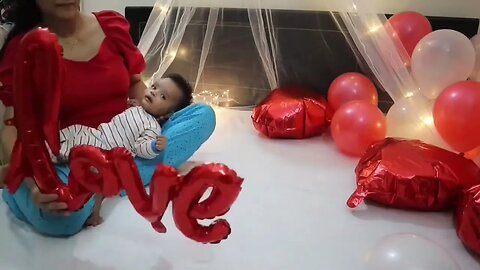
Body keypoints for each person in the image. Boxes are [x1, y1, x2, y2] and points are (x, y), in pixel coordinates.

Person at [0, 0, 215, 236]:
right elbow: (13, 127)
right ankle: (23, 188)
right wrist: (33, 185)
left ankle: (110, 181)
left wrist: (151, 120)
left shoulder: (111, 26)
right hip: (71, 159)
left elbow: (135, 83)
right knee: (63, 220)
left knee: (203, 116)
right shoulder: (26, 48)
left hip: (126, 142)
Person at [55, 73, 193, 162]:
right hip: (100, 134)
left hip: (108, 148)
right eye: (154, 87)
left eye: (163, 96)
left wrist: (153, 147)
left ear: (168, 113)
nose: (154, 92)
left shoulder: (152, 126)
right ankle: (51, 144)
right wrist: (131, 106)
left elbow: (141, 147)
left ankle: (59, 155)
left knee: (82, 145)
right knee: (76, 129)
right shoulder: (138, 108)